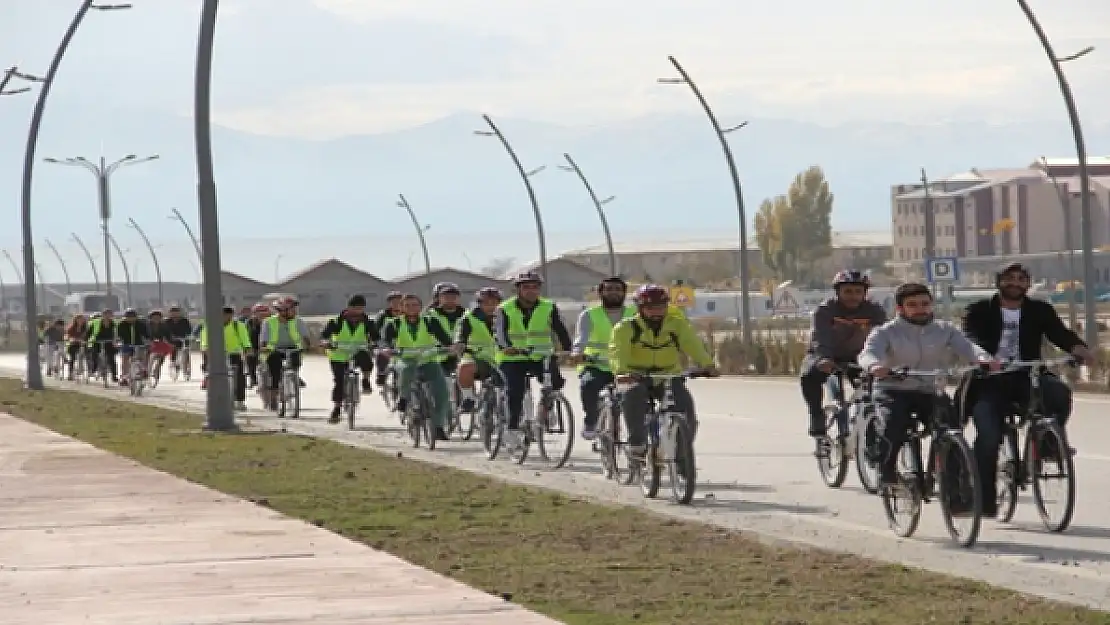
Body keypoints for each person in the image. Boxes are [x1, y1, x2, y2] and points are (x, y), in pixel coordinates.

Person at [961, 261, 1093, 517]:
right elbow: (970, 339)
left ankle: (1047, 444)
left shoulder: (1040, 310)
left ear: (1028, 285)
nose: (1015, 283)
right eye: (1009, 279)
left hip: (1027, 374)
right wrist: (985, 358)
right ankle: (984, 501)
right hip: (989, 380)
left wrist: (1078, 349)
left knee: (1058, 392)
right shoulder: (978, 310)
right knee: (988, 437)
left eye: (1021, 279)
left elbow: (1059, 334)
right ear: (998, 282)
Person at [857, 282, 998, 500]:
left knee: (951, 432)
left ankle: (955, 492)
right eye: (912, 305)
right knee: (893, 424)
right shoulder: (886, 332)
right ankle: (887, 473)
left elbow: (968, 347)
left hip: (929, 390)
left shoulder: (944, 330)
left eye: (924, 304)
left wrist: (983, 359)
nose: (920, 309)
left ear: (932, 304)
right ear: (900, 309)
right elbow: (868, 354)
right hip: (893, 389)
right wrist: (875, 366)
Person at [609, 284, 719, 460]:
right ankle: (637, 444)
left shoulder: (676, 325)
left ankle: (683, 459)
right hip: (636, 375)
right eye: (651, 308)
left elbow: (692, 344)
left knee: (685, 407)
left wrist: (707, 365)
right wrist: (622, 372)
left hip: (667, 375)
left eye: (661, 307)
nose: (657, 312)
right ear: (640, 308)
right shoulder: (625, 328)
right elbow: (617, 351)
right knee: (633, 396)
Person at [799, 269, 888, 456]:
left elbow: (884, 338)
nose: (853, 297)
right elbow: (820, 338)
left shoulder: (875, 311)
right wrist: (823, 358)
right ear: (837, 292)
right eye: (847, 291)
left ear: (865, 293)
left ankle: (870, 431)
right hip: (826, 355)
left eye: (858, 291)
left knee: (873, 394)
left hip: (859, 358)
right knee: (809, 375)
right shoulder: (825, 311)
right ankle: (816, 416)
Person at [494, 271, 574, 449]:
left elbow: (560, 330)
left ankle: (546, 409)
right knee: (515, 391)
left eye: (535, 287)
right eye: (526, 287)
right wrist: (506, 347)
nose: (531, 291)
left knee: (555, 381)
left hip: (540, 355)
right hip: (512, 358)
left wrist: (569, 350)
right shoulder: (504, 308)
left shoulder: (548, 306)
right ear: (518, 290)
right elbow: (500, 332)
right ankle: (512, 429)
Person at [381, 293, 453, 440]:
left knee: (442, 393)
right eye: (407, 305)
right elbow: (385, 341)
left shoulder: (430, 321)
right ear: (401, 308)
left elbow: (445, 339)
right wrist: (387, 349)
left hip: (428, 360)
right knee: (408, 369)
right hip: (405, 359)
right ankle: (403, 398)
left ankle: (438, 426)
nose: (411, 308)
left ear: (421, 307)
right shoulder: (394, 323)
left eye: (415, 305)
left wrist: (451, 347)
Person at [571, 276, 636, 441]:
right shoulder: (589, 314)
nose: (613, 293)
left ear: (624, 293)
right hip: (596, 365)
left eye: (617, 289)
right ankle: (591, 421)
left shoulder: (634, 314)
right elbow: (582, 337)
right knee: (589, 385)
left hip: (626, 365)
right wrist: (577, 352)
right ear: (600, 293)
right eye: (609, 289)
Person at [320, 295, 378, 423]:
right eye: (355, 308)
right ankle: (336, 408)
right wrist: (325, 342)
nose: (358, 311)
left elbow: (375, 336)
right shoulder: (336, 321)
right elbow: (324, 335)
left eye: (361, 308)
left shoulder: (367, 322)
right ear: (349, 307)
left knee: (367, 360)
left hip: (358, 352)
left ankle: (366, 380)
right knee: (339, 381)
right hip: (338, 355)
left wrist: (375, 344)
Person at [453, 286, 502, 411]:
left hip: (502, 359)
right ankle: (469, 398)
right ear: (479, 304)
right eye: (486, 303)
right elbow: (460, 334)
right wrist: (460, 343)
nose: (491, 306)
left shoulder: (508, 316)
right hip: (476, 358)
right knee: (464, 368)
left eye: (494, 303)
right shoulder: (468, 318)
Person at [260, 296, 312, 406]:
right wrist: (264, 347)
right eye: (291, 309)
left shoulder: (298, 321)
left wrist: (307, 345)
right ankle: (274, 396)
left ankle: (294, 378)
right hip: (274, 349)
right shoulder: (268, 322)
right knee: (275, 373)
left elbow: (305, 336)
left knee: (295, 365)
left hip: (293, 348)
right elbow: (263, 339)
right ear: (281, 311)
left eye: (294, 309)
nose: (294, 311)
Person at [199, 306, 253, 410]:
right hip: (217, 353)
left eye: (229, 315)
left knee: (240, 376)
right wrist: (205, 348)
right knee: (212, 372)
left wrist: (247, 348)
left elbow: (245, 339)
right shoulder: (211, 326)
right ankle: (212, 394)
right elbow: (205, 340)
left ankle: (240, 400)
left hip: (234, 353)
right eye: (224, 315)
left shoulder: (238, 325)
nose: (226, 317)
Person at [372, 291, 404, 387]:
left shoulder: (408, 313)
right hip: (385, 339)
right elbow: (375, 329)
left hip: (403, 340)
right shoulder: (383, 315)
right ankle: (381, 373)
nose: (396, 304)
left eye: (399, 301)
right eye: (393, 302)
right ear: (389, 303)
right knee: (382, 353)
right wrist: (374, 342)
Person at [117, 308, 151, 386]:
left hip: (138, 343)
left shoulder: (140, 324)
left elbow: (146, 334)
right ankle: (124, 377)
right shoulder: (121, 324)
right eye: (128, 317)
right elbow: (118, 335)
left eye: (132, 317)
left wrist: (149, 341)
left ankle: (143, 370)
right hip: (126, 343)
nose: (131, 319)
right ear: (125, 317)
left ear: (136, 317)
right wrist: (118, 342)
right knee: (125, 358)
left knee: (143, 356)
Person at [85, 309, 119, 382]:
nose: (108, 316)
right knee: (94, 356)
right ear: (103, 315)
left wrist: (117, 341)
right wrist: (86, 340)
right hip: (97, 341)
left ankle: (114, 375)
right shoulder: (96, 322)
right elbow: (88, 333)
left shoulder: (114, 323)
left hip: (109, 342)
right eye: (106, 314)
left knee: (111, 358)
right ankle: (93, 369)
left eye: (109, 315)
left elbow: (117, 333)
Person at [244, 303, 269, 388]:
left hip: (267, 346)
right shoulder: (250, 322)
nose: (261, 315)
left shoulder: (271, 322)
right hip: (254, 345)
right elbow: (247, 336)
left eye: (264, 312)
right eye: (259, 313)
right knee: (250, 359)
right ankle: (253, 378)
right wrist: (248, 348)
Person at [146, 310, 175, 380]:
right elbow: (144, 334)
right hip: (149, 342)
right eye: (154, 317)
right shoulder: (147, 325)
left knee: (163, 353)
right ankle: (146, 369)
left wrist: (171, 342)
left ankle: (157, 368)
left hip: (160, 342)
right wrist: (148, 341)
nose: (156, 319)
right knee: (147, 354)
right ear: (151, 318)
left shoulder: (164, 325)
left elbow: (168, 335)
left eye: (158, 317)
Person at [164, 305, 193, 369]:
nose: (174, 314)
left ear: (179, 313)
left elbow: (189, 330)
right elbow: (164, 331)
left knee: (186, 349)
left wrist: (188, 336)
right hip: (172, 339)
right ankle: (173, 362)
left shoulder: (185, 321)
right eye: (172, 313)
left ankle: (187, 366)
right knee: (174, 347)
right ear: (170, 313)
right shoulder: (167, 321)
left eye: (176, 312)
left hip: (183, 338)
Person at [64, 314, 88, 380]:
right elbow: (67, 337)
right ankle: (70, 373)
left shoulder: (86, 328)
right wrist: (71, 339)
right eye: (79, 319)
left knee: (86, 355)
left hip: (83, 345)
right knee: (72, 358)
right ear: (76, 320)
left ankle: (84, 370)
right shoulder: (71, 328)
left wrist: (85, 341)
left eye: (82, 319)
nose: (80, 321)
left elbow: (88, 337)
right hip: (73, 345)